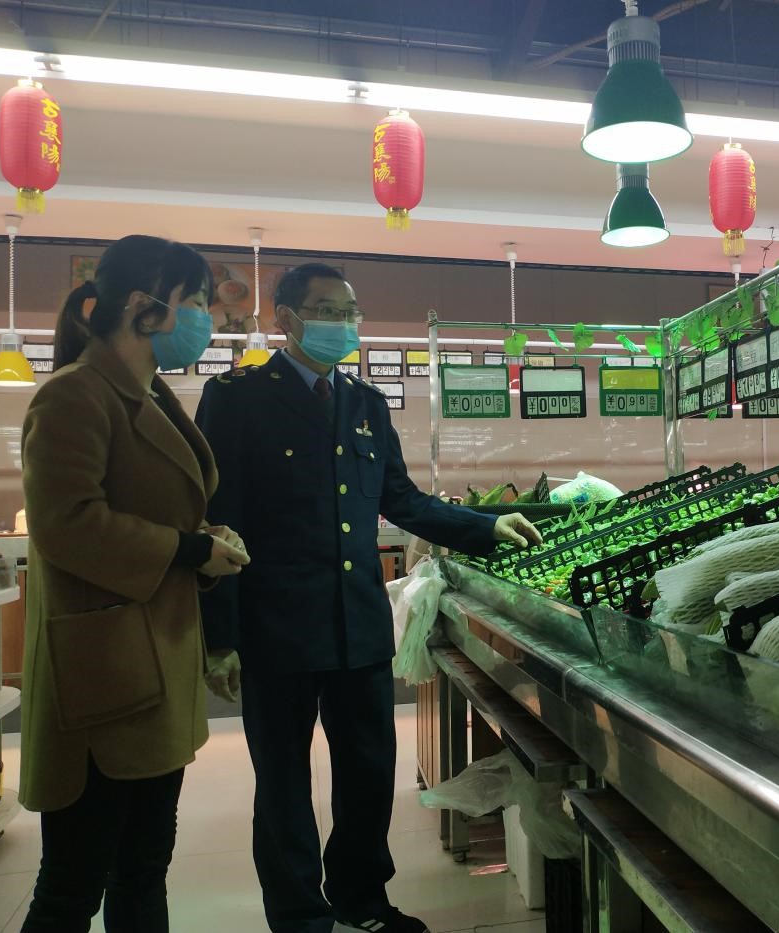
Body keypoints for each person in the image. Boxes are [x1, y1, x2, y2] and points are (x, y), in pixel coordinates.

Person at [196, 263, 541, 933]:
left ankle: (362, 899)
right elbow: (218, 519)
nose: (344, 324)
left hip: (356, 623)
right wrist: (221, 636)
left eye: (351, 312)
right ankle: (299, 914)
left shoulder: (365, 403)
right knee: (283, 780)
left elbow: (401, 500)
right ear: (286, 319)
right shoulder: (237, 398)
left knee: (368, 771)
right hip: (276, 627)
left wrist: (484, 527)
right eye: (328, 310)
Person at [18, 235, 251, 932]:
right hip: (102, 677)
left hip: (154, 664)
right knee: (72, 884)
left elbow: (159, 505)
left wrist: (207, 537)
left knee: (143, 867)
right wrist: (190, 549)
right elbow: (66, 524)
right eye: (196, 302)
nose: (207, 319)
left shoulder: (149, 394)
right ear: (143, 306)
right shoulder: (74, 394)